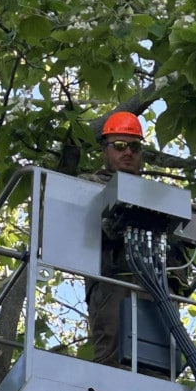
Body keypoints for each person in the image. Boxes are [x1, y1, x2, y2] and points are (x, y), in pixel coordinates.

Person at [81, 112, 186, 367]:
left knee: (160, 360)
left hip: (160, 286)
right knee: (113, 358)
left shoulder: (161, 198)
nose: (127, 152)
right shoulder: (88, 186)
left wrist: (188, 212)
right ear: (105, 150)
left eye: (134, 147)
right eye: (119, 146)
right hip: (114, 283)